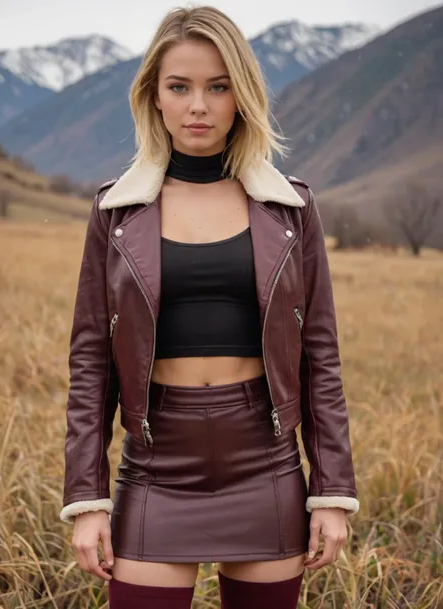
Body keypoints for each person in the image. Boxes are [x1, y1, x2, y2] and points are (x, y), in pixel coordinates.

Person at [59, 5, 359, 608]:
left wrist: (330, 492)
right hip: (154, 465)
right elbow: (91, 362)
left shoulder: (289, 209)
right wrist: (88, 500)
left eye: (218, 87)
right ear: (155, 97)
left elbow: (319, 356)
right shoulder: (117, 213)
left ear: (241, 96)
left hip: (266, 462)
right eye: (181, 86)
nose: (199, 105)